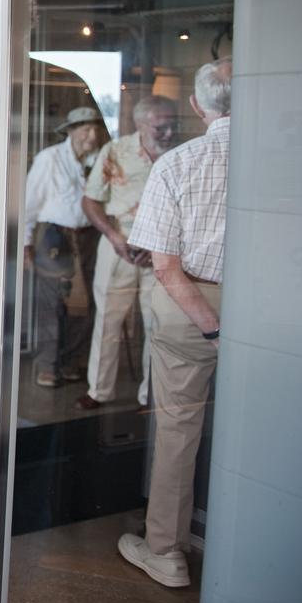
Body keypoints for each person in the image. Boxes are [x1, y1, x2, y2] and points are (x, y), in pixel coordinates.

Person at [118, 59, 231, 589]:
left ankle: (166, 552)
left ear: (196, 106)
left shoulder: (179, 163)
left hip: (191, 310)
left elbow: (162, 263)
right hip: (271, 314)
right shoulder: (291, 158)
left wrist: (213, 328)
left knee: (179, 433)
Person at [75, 95, 178, 410]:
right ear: (141, 123)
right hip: (118, 243)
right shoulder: (115, 151)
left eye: (173, 125)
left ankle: (150, 396)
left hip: (161, 249)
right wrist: (112, 235)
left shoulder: (178, 155)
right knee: (107, 319)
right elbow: (91, 200)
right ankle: (99, 391)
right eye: (162, 127)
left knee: (157, 324)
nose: (169, 133)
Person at [23, 106, 106, 388]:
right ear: (70, 131)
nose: (91, 135)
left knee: (84, 304)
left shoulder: (99, 160)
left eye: (95, 129)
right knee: (51, 302)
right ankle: (47, 365)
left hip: (89, 236)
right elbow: (29, 203)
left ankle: (70, 360)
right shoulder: (50, 158)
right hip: (55, 237)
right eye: (85, 129)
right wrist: (25, 242)